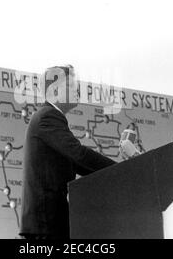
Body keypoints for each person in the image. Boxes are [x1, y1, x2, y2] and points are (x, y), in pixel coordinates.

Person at [19, 65, 116, 239]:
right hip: (46, 223)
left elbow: (76, 163)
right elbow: (79, 155)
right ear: (55, 91)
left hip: (48, 223)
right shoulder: (48, 116)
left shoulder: (47, 117)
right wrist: (120, 170)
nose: (77, 89)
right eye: (71, 86)